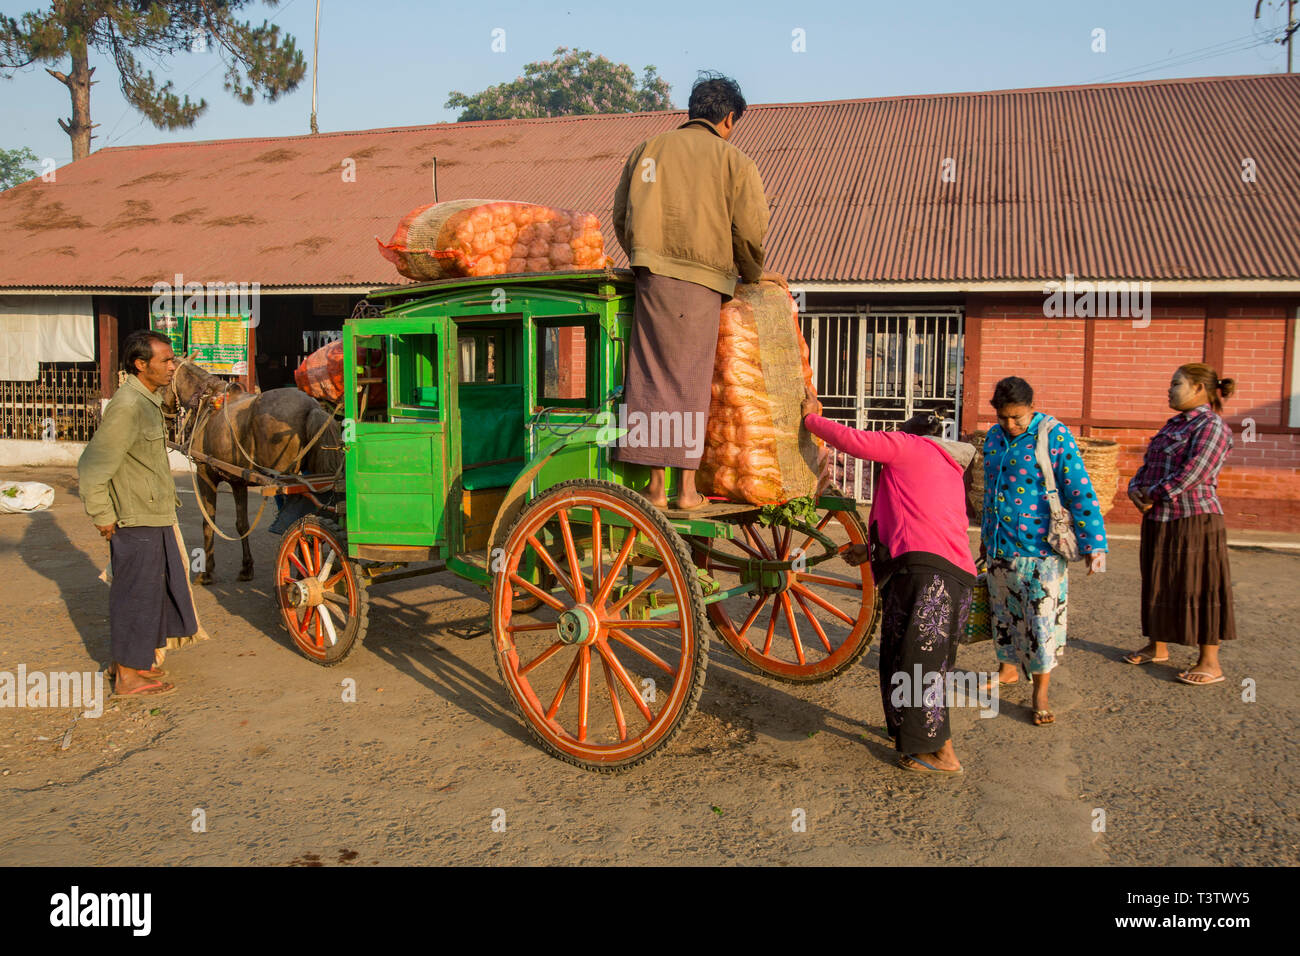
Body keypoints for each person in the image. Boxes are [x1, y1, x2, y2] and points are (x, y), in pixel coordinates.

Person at [612, 71, 769, 510]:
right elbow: (750, 231)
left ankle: (655, 487)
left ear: (694, 111)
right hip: (703, 277)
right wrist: (750, 273)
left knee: (650, 373)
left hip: (653, 275)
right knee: (690, 378)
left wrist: (645, 253)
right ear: (729, 119)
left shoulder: (648, 151)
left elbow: (622, 215)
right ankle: (683, 491)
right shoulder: (734, 160)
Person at [802, 397, 977, 774]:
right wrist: (868, 551)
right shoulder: (944, 466)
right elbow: (912, 520)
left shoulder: (908, 447)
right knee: (905, 658)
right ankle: (910, 738)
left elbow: (852, 441)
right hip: (943, 575)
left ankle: (943, 753)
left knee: (919, 665)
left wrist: (809, 419)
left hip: (929, 575)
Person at [79, 330, 205, 697]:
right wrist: (103, 515)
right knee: (134, 595)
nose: (172, 367)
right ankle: (126, 676)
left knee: (150, 594)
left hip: (154, 514)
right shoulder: (128, 406)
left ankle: (135, 665)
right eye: (165, 361)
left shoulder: (147, 400)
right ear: (140, 364)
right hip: (135, 519)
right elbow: (92, 467)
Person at [980, 376, 1107, 726]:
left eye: (1017, 418)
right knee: (1003, 615)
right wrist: (984, 536)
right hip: (999, 546)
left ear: (1031, 408)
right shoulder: (993, 438)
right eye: (1003, 417)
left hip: (1041, 551)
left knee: (1039, 622)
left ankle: (1040, 692)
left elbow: (1080, 491)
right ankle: (1006, 670)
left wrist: (1095, 544)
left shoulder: (1053, 435)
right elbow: (989, 490)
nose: (1010, 424)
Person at [1123, 364, 1237, 684]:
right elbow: (1149, 465)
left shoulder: (1212, 426)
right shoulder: (1172, 425)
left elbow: (1195, 472)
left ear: (1199, 388)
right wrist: (1135, 489)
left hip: (1195, 518)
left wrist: (1154, 494)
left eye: (1176, 384)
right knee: (1158, 581)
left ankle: (1210, 662)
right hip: (1159, 517)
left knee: (1200, 587)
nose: (1169, 390)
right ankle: (1156, 645)